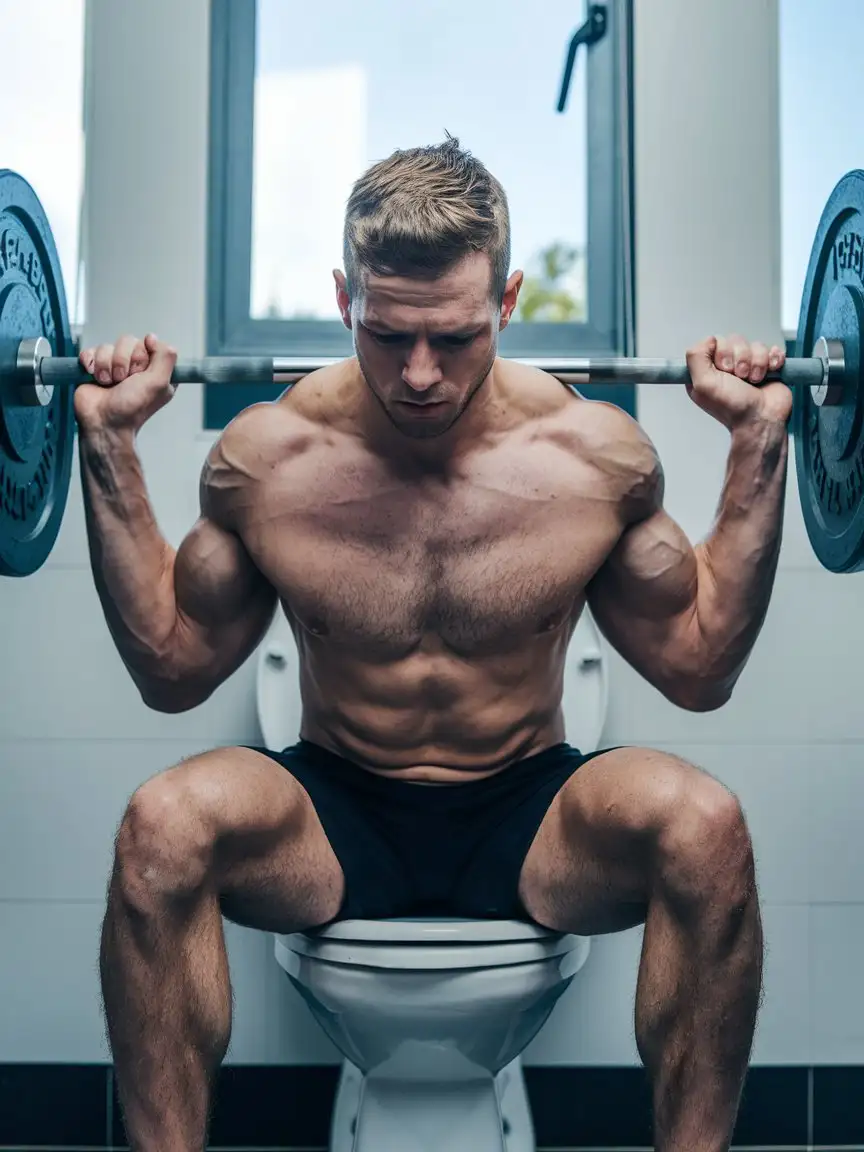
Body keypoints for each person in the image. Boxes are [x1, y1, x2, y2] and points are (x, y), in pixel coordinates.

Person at [77, 137, 790, 1152]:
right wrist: (106, 450)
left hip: (529, 808)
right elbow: (171, 666)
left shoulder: (592, 461)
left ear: (505, 303)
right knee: (160, 827)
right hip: (333, 808)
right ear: (344, 299)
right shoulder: (269, 462)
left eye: (454, 339)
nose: (418, 375)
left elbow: (701, 665)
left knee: (706, 826)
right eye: (386, 335)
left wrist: (759, 449)